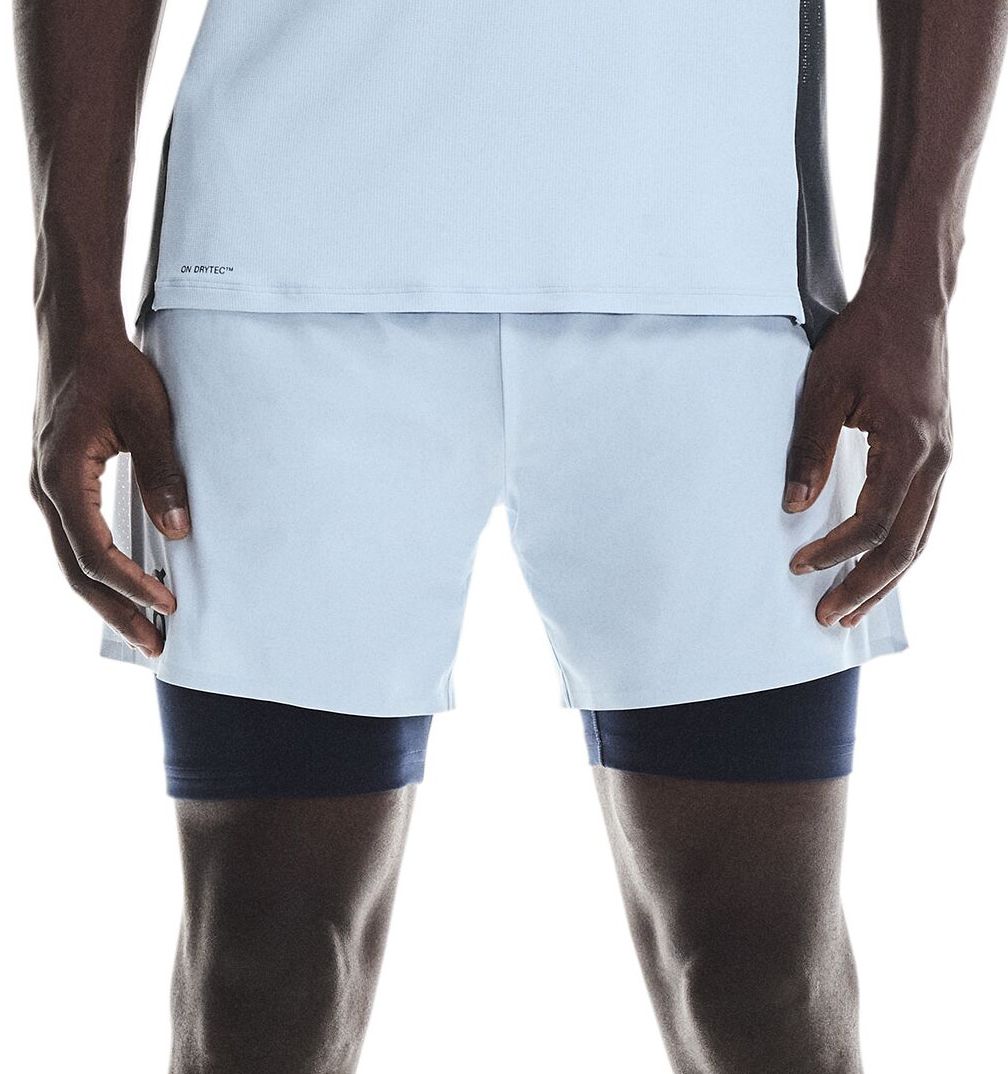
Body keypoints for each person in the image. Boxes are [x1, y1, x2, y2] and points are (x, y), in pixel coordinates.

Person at [13, 2, 1006, 1071]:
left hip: (718, 268)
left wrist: (919, 284)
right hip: (278, 263)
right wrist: (72, 308)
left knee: (762, 973)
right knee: (263, 969)